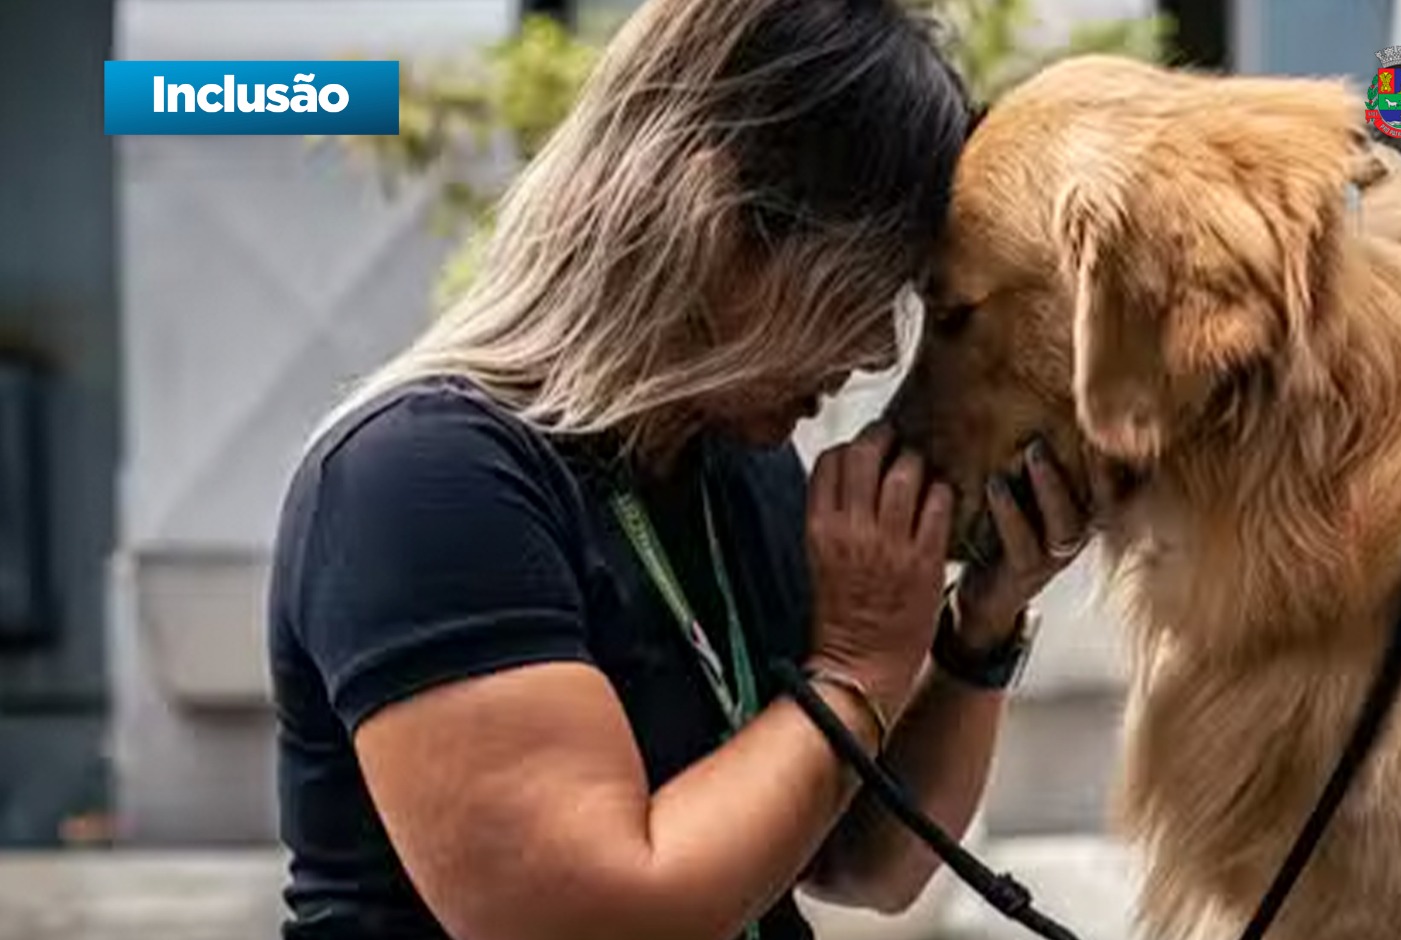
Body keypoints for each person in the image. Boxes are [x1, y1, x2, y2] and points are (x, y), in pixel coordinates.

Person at [268, 1, 1086, 938]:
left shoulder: (733, 468)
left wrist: (979, 628)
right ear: (717, 224)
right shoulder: (423, 481)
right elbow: (596, 920)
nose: (873, 350)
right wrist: (855, 665)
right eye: (857, 290)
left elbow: (864, 859)